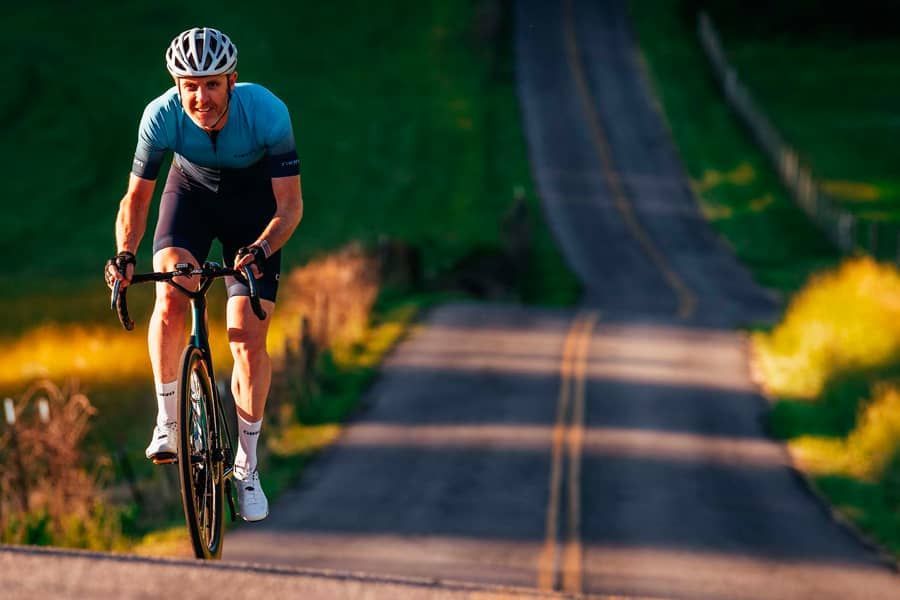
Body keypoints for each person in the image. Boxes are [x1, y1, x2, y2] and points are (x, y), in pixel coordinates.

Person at [104, 27, 303, 522]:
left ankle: (247, 464)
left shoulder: (267, 113)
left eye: (212, 84)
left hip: (253, 211)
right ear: (176, 85)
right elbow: (136, 199)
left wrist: (261, 247)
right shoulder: (160, 116)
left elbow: (290, 206)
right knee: (171, 291)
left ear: (232, 80)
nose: (201, 97)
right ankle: (168, 418)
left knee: (246, 336)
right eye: (189, 85)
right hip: (189, 194)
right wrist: (125, 254)